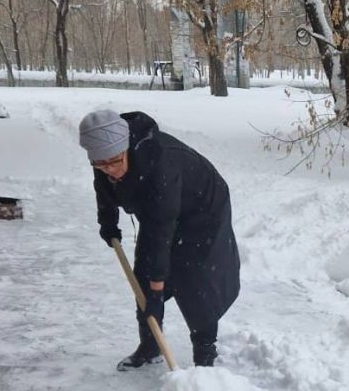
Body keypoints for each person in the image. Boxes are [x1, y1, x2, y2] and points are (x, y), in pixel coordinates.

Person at [79, 108, 240, 370]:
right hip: (161, 212)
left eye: (115, 162)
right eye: (101, 164)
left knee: (195, 282)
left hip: (202, 211)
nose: (111, 170)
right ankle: (150, 346)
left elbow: (161, 230)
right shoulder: (107, 157)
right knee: (143, 277)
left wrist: (157, 289)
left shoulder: (161, 164)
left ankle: (205, 356)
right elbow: (103, 185)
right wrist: (107, 221)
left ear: (127, 148)